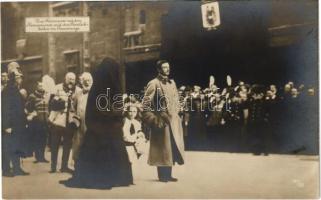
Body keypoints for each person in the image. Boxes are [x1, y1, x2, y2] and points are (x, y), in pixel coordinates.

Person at [61, 57, 133, 189]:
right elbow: (96, 112)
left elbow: (116, 108)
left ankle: (113, 177)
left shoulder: (103, 89)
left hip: (106, 129)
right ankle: (113, 177)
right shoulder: (103, 89)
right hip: (101, 129)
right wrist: (113, 117)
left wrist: (116, 116)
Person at [142, 60, 185, 182]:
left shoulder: (172, 83)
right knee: (162, 148)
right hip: (161, 121)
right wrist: (153, 119)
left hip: (174, 121)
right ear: (159, 69)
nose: (167, 69)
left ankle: (169, 174)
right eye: (164, 67)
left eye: (168, 67)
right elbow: (145, 104)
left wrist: (178, 113)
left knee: (171, 147)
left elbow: (176, 99)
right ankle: (162, 175)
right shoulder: (153, 83)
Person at [48, 72, 81, 173]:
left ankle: (64, 166)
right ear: (65, 79)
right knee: (55, 144)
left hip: (70, 122)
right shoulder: (58, 88)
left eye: (73, 79)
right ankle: (53, 167)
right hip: (58, 121)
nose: (71, 81)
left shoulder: (78, 91)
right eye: (69, 79)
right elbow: (51, 104)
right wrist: (62, 103)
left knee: (67, 145)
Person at [2, 62, 29, 176]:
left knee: (17, 145)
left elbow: (20, 108)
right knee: (7, 147)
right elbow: (5, 109)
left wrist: (24, 121)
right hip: (9, 125)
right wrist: (6, 126)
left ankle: (17, 168)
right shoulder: (7, 90)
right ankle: (6, 170)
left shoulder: (16, 90)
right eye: (18, 77)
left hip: (17, 124)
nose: (21, 79)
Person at [25, 81, 50, 163]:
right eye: (40, 86)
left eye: (43, 86)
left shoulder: (46, 96)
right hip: (36, 123)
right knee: (37, 139)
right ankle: (37, 157)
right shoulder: (32, 96)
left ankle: (42, 157)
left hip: (45, 122)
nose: (41, 87)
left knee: (43, 140)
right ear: (37, 87)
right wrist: (32, 113)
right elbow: (28, 108)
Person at [72, 72, 93, 161]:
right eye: (85, 81)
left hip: (90, 125)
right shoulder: (78, 93)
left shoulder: (94, 93)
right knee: (78, 146)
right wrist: (74, 118)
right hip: (79, 125)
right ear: (82, 82)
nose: (87, 83)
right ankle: (78, 171)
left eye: (89, 81)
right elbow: (72, 108)